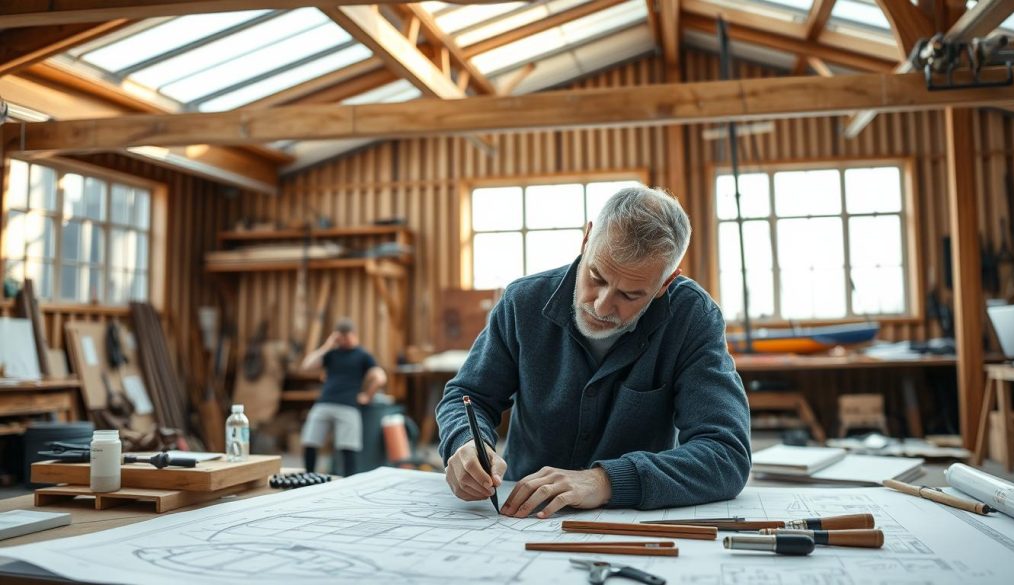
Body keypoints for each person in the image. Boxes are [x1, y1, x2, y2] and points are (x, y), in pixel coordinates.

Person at [436, 186, 751, 518]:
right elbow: (467, 395)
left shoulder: (692, 319)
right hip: (520, 515)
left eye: (630, 295)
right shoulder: (522, 302)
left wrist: (605, 481)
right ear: (586, 239)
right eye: (596, 277)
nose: (602, 306)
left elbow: (725, 454)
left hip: (630, 522)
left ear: (666, 283)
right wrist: (466, 444)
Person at [299, 317, 388, 476]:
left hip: (348, 405)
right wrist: (327, 345)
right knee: (310, 441)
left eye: (345, 337)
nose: (343, 341)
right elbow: (306, 366)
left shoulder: (363, 355)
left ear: (353, 335)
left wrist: (367, 396)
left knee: (348, 447)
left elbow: (380, 377)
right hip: (324, 403)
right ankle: (308, 476)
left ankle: (349, 481)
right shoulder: (331, 354)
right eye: (340, 337)